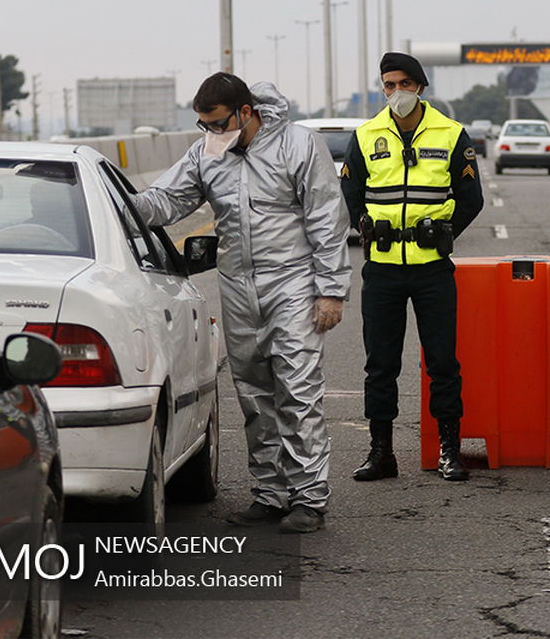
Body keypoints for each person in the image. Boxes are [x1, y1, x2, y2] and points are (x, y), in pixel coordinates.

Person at [133, 72, 350, 534]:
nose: (212, 132)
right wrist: (117, 205)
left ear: (245, 112)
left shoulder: (299, 146)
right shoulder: (207, 152)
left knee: (297, 389)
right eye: (204, 125)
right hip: (237, 284)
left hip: (293, 281)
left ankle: (308, 498)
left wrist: (331, 290)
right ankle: (271, 493)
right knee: (253, 391)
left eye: (217, 123)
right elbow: (166, 201)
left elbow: (327, 219)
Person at [341, 52, 484, 482]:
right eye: (389, 84)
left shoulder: (451, 133)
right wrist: (365, 225)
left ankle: (449, 451)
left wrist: (445, 232)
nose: (396, 92)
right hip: (382, 268)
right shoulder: (366, 135)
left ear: (420, 86)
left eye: (404, 83)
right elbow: (350, 192)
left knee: (442, 363)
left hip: (432, 269)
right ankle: (381, 453)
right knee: (380, 365)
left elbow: (471, 198)